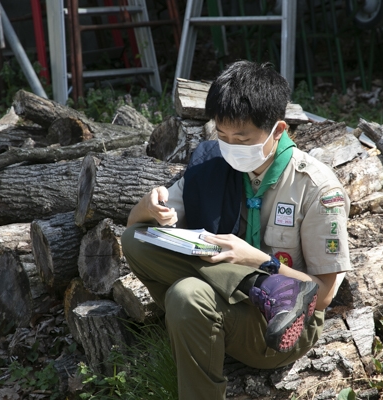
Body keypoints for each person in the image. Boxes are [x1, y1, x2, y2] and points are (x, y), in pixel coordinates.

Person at [121, 60, 352, 399]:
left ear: (278, 130)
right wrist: (147, 206)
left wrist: (260, 261)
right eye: (223, 135)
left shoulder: (315, 188)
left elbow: (324, 295)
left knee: (186, 295)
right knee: (136, 241)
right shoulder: (212, 166)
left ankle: (274, 289)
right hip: (232, 303)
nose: (231, 147)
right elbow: (138, 231)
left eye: (242, 139)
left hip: (285, 327)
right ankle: (261, 287)